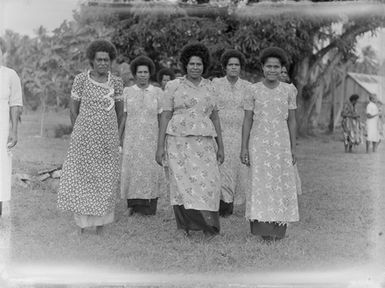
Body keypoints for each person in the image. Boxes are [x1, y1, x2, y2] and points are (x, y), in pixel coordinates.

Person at [155, 42, 225, 240]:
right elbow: (165, 116)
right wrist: (160, 147)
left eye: (199, 64)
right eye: (192, 63)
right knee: (182, 184)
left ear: (204, 66)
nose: (195, 67)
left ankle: (209, 227)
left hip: (204, 142)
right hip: (177, 143)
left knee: (209, 183)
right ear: (186, 64)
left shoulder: (210, 87)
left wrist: (221, 146)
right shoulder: (173, 86)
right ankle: (184, 227)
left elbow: (215, 117)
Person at [57, 40, 124, 234]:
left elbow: (120, 113)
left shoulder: (117, 82)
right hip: (84, 139)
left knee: (104, 181)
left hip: (108, 141)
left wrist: (116, 137)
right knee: (83, 180)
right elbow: (73, 109)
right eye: (99, 60)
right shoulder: (81, 80)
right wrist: (79, 133)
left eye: (107, 60)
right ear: (92, 61)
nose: (103, 63)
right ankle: (81, 228)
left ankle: (100, 227)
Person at [240, 47, 299, 241]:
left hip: (281, 144)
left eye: (276, 67)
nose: (272, 70)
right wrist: (244, 147)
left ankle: (278, 229)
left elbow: (291, 120)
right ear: (262, 68)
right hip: (258, 144)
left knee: (279, 183)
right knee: (261, 184)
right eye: (268, 66)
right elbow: (248, 119)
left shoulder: (289, 90)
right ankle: (261, 229)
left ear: (282, 69)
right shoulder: (253, 90)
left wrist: (292, 147)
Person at [120, 56, 163, 216]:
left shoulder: (158, 92)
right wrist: (119, 137)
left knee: (151, 170)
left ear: (150, 73)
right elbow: (124, 116)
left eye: (146, 72)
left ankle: (150, 207)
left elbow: (161, 118)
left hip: (151, 139)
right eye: (140, 72)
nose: (143, 75)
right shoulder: (127, 92)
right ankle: (132, 206)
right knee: (132, 169)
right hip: (132, 139)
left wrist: (161, 140)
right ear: (135, 73)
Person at [211, 49, 250, 217]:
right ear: (224, 67)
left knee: (238, 169)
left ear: (240, 67)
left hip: (240, 134)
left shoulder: (248, 87)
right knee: (222, 167)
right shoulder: (216, 84)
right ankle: (222, 205)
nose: (233, 68)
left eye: (237, 65)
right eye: (230, 65)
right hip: (221, 132)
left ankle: (234, 202)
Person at [0, 37, 23, 216]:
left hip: (2, 129)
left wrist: (14, 131)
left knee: (1, 166)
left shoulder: (10, 75)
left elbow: (15, 104)